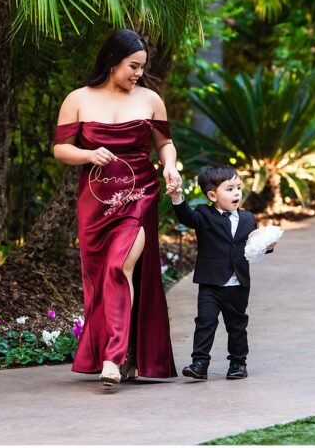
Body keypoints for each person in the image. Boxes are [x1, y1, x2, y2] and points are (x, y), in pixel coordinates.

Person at [52, 29, 180, 387]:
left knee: (119, 264)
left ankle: (114, 357)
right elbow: (61, 149)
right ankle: (122, 354)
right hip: (95, 201)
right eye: (133, 66)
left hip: (139, 193)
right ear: (112, 61)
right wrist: (88, 154)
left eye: (142, 67)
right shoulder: (77, 99)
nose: (138, 73)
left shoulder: (151, 99)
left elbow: (165, 143)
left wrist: (169, 165)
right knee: (101, 277)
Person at [171, 165, 269, 380]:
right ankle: (199, 363)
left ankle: (237, 363)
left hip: (238, 284)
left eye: (238, 188)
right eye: (230, 189)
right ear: (212, 195)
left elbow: (252, 245)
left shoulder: (247, 218)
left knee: (237, 325)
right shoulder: (204, 215)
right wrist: (178, 197)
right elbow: (187, 217)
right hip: (211, 283)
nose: (236, 193)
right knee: (205, 322)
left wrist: (266, 245)